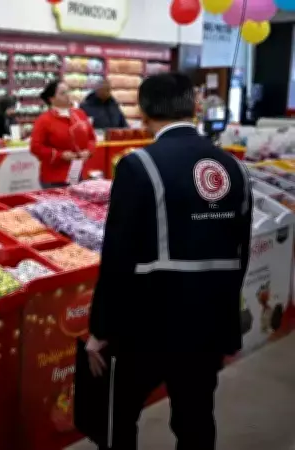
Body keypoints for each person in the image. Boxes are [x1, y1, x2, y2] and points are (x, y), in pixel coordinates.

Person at [86, 73, 252, 450]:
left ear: (143, 111)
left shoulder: (138, 165)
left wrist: (100, 329)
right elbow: (239, 253)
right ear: (195, 107)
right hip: (207, 323)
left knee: (121, 416)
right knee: (195, 419)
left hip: (147, 322)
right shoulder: (233, 168)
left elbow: (118, 257)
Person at [30, 80, 96, 188]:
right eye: (62, 93)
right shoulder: (44, 120)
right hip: (53, 176)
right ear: (51, 99)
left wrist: (88, 151)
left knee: (75, 200)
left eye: (68, 91)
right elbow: (35, 147)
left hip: (76, 170)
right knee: (58, 203)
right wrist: (60, 155)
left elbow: (91, 138)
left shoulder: (80, 114)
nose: (67, 95)